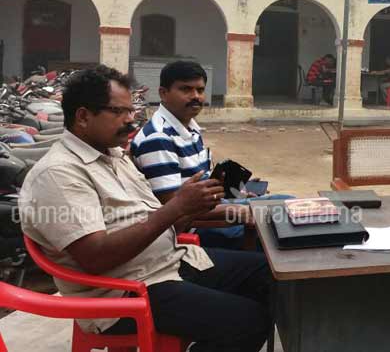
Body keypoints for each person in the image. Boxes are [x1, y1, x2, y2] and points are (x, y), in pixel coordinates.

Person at [19, 65, 272, 352]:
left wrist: (192, 207)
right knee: (248, 321)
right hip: (124, 292)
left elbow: (157, 221)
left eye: (132, 110)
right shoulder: (58, 174)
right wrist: (177, 206)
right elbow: (95, 258)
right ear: (83, 116)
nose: (131, 120)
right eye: (119, 112)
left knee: (270, 275)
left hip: (169, 263)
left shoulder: (114, 155)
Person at [131, 61, 291, 250]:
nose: (195, 96)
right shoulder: (158, 138)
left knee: (288, 202)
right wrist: (239, 209)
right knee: (282, 227)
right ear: (163, 93)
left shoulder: (189, 127)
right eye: (186, 89)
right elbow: (174, 210)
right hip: (196, 227)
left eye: (200, 90)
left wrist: (235, 193)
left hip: (216, 206)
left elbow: (202, 183)